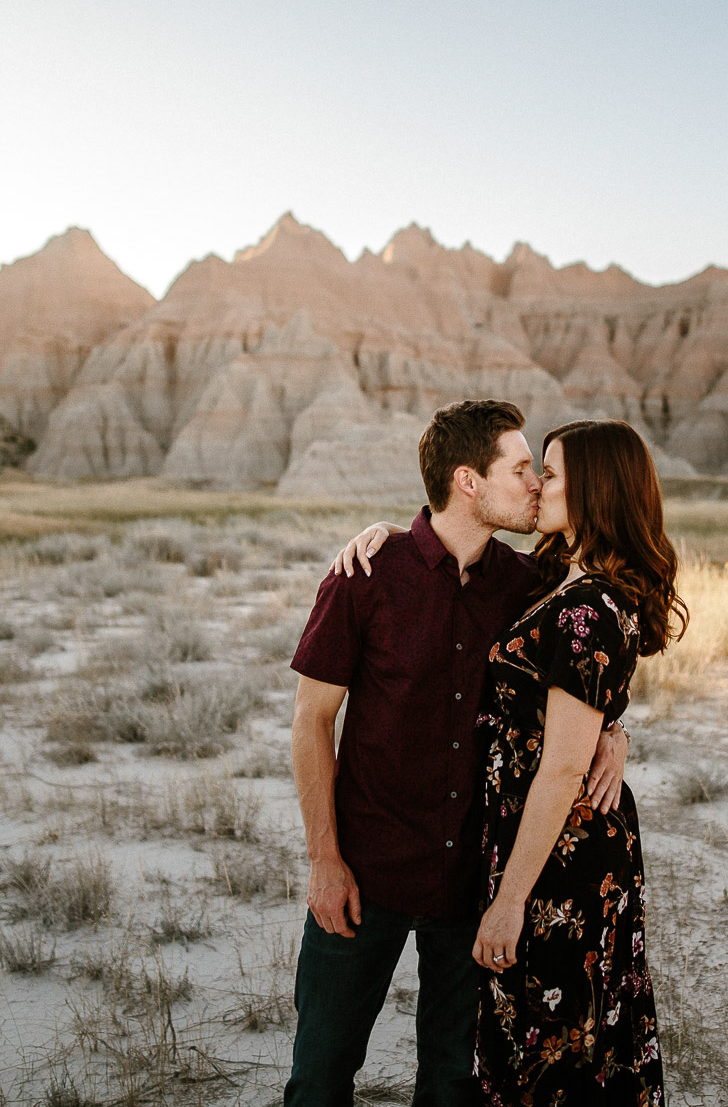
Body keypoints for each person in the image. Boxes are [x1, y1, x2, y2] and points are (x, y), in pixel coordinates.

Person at [285, 400, 629, 1107]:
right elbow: (311, 720)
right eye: (522, 467)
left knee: (451, 1084)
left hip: (473, 883)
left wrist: (615, 732)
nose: (536, 483)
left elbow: (593, 655)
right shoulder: (366, 574)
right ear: (469, 480)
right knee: (319, 1076)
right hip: (364, 874)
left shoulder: (527, 584)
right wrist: (324, 857)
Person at [347, 420, 681, 1106]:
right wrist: (393, 536)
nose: (535, 486)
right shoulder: (559, 580)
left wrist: (506, 904)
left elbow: (560, 768)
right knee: (538, 1042)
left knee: (552, 1050)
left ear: (594, 492)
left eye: (549, 475)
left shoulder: (589, 606)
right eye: (531, 471)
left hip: (559, 857)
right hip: (537, 844)